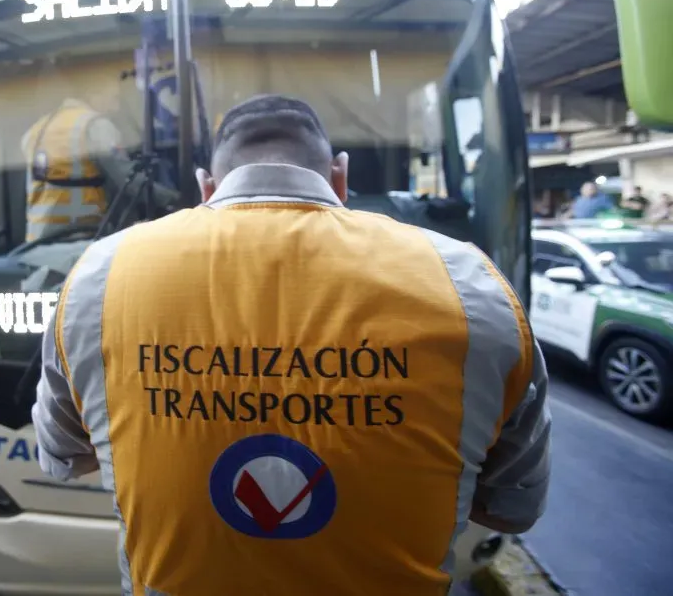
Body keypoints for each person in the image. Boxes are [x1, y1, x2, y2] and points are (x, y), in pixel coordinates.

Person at [31, 94, 551, 596]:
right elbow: (512, 506)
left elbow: (63, 457)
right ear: (340, 176)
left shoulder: (100, 278)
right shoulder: (469, 285)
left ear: (205, 187)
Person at [21, 91, 182, 243]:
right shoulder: (96, 126)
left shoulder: (36, 130)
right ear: (94, 93)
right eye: (113, 96)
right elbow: (129, 179)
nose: (117, 105)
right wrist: (177, 199)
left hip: (36, 243)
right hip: (79, 240)